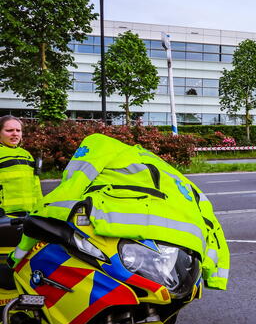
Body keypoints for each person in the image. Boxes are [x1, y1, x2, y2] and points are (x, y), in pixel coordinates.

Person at [10, 133, 229, 290]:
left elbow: (66, 193)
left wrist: (19, 253)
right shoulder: (166, 169)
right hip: (177, 257)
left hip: (120, 239)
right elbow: (211, 222)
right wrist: (214, 275)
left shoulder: (98, 144)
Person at [0, 115, 42, 214]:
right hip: (4, 215)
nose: (15, 134)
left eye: (18, 130)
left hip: (29, 215)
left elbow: (36, 185)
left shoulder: (26, 155)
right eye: (9, 130)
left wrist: (40, 208)